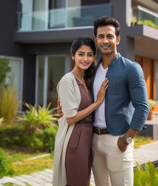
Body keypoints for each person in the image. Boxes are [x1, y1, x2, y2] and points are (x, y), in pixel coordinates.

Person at [58, 16, 149, 185]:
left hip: (117, 140)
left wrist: (127, 138)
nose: (105, 40)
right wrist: (62, 104)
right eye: (101, 36)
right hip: (93, 141)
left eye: (110, 36)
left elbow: (143, 107)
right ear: (96, 40)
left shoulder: (131, 68)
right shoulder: (92, 70)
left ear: (118, 39)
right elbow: (79, 94)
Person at [52, 36, 109, 186]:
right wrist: (98, 102)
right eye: (81, 54)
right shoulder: (68, 80)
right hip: (75, 138)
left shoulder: (87, 79)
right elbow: (71, 118)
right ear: (73, 56)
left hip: (88, 137)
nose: (85, 58)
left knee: (83, 181)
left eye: (90, 54)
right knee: (77, 182)